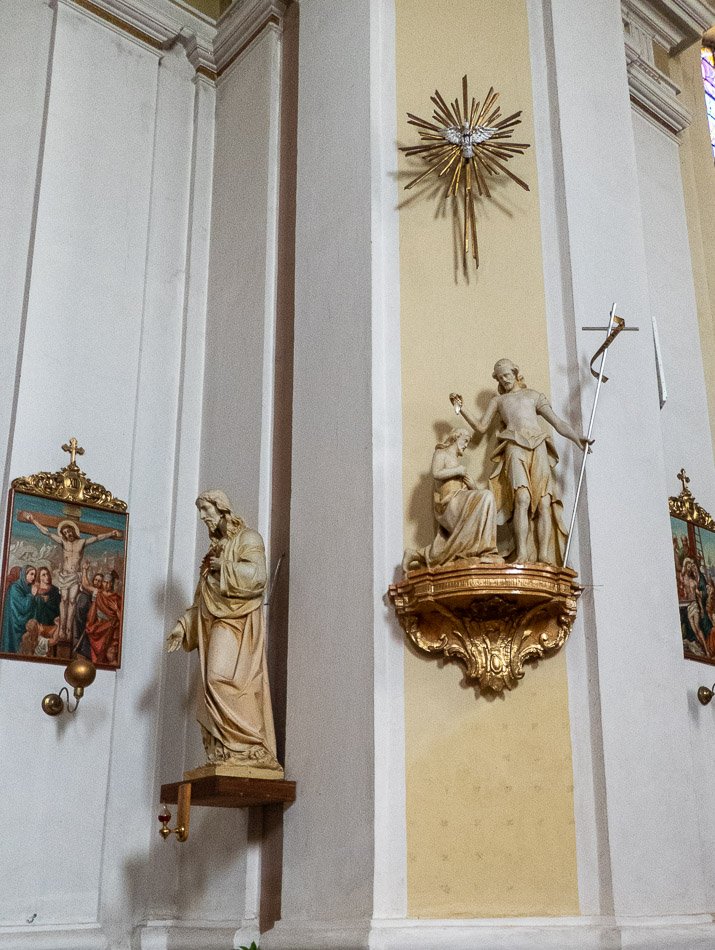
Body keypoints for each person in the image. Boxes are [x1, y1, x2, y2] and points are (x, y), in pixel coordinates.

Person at [166, 490, 282, 777]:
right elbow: (202, 599)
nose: (202, 516)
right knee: (213, 683)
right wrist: (183, 626)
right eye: (200, 511)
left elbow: (258, 577)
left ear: (222, 509)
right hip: (215, 621)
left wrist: (226, 566)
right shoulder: (212, 553)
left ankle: (251, 744)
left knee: (218, 679)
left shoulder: (249, 539)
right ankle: (230, 750)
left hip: (237, 623)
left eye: (206, 510)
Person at [450, 358, 592, 565]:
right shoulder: (498, 401)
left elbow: (558, 422)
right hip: (514, 444)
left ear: (516, 373)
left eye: (507, 375)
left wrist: (577, 438)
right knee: (522, 499)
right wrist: (461, 408)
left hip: (538, 444)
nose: (504, 380)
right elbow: (481, 427)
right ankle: (523, 553)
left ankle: (543, 555)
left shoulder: (533, 396)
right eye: (500, 378)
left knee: (544, 502)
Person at [402, 427, 501, 572]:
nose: (466, 445)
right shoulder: (441, 453)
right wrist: (458, 471)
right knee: (486, 496)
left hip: (460, 498)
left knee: (488, 497)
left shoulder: (456, 460)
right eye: (465, 440)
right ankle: (484, 550)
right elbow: (436, 473)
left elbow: (468, 491)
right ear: (456, 437)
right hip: (448, 503)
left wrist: (472, 486)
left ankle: (487, 550)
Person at [23, 515, 121, 645]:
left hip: (75, 576)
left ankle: (68, 629)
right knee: (64, 600)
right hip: (64, 576)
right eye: (65, 532)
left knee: (72, 600)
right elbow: (47, 533)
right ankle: (62, 628)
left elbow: (97, 538)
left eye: (69, 531)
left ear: (73, 531)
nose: (67, 534)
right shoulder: (63, 543)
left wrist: (111, 534)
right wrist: (33, 520)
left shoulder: (82, 542)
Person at [85, 570, 122, 665]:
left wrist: (116, 609)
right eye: (105, 582)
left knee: (110, 654)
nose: (106, 585)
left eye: (109, 583)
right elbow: (85, 585)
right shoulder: (99, 594)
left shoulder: (117, 598)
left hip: (111, 628)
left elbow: (122, 619)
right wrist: (85, 570)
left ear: (112, 584)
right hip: (100, 627)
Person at [1, 565, 37, 654]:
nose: (33, 577)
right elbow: (23, 607)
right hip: (14, 622)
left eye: (35, 575)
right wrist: (32, 595)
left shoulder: (28, 587)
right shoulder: (15, 587)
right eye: (31, 574)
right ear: (24, 574)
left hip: (23, 622)